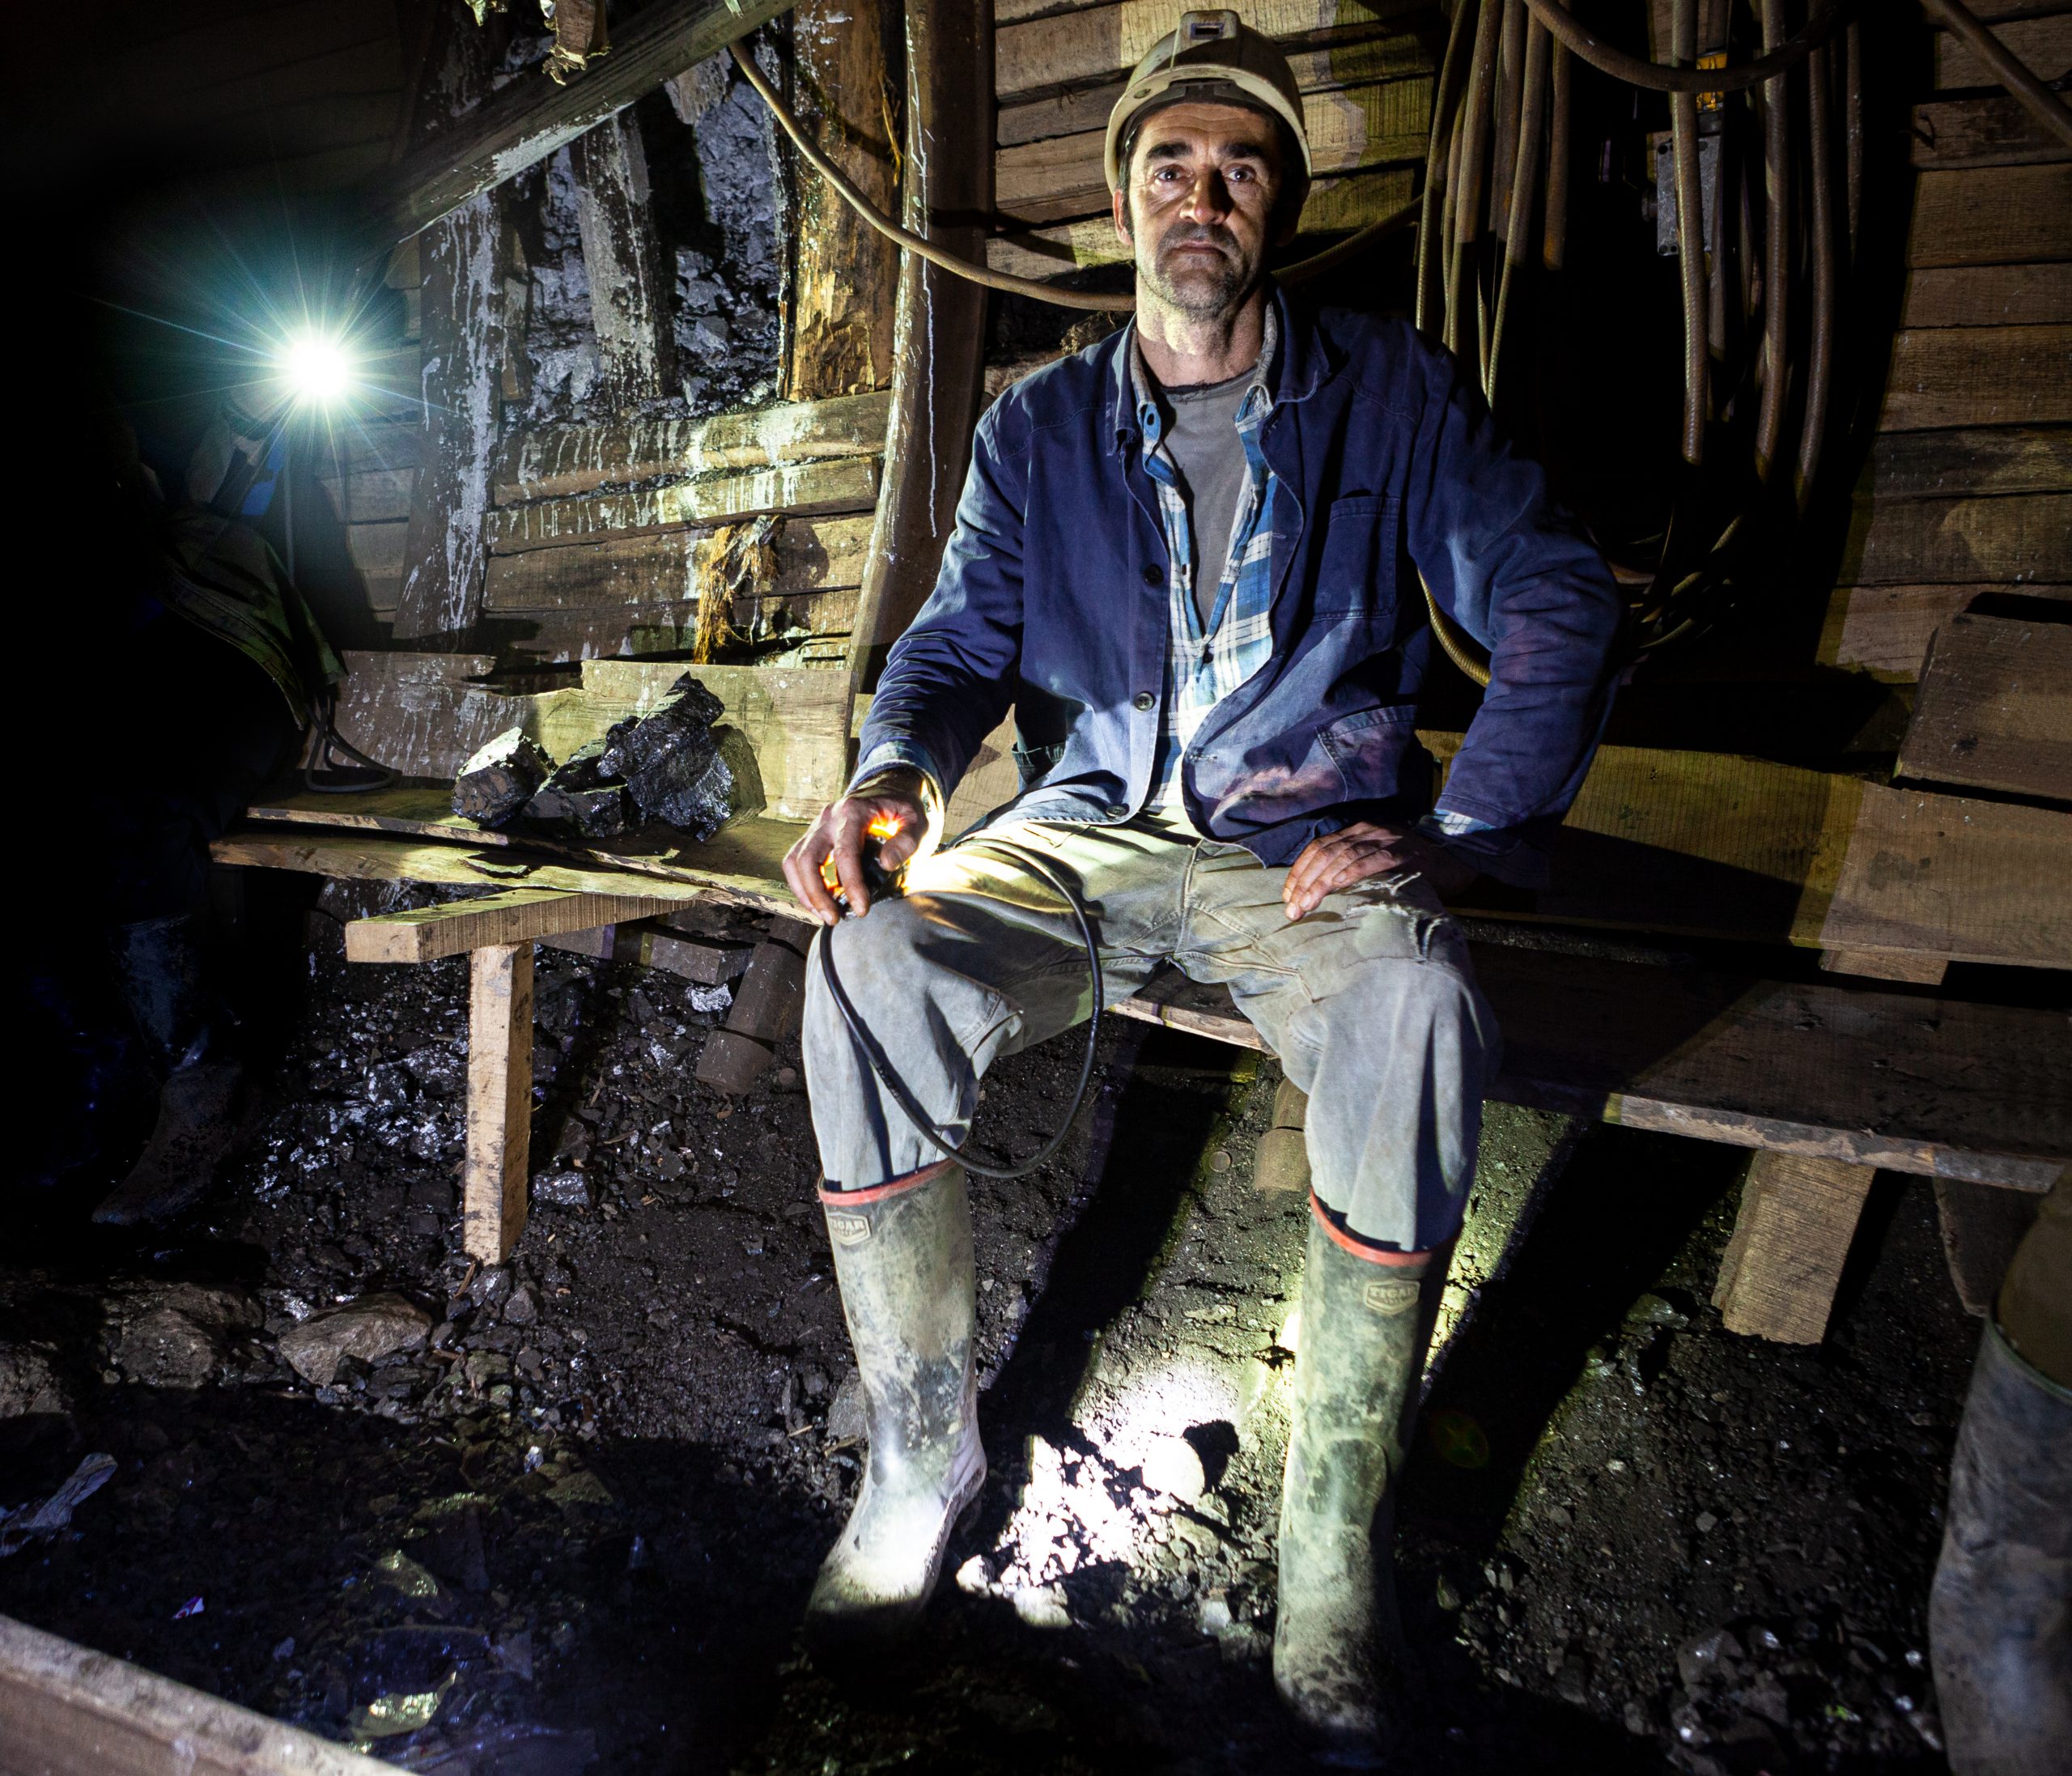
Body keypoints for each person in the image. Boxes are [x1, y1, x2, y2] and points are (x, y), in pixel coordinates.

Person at [781, 10, 1624, 1757]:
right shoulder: (1036, 428)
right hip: (1081, 828)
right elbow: (951, 647)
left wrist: (1464, 832)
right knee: (863, 967)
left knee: (1415, 1002)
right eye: (1169, 163)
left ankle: (1326, 1543)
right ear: (1124, 199)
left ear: (1278, 207)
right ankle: (919, 1457)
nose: (1202, 194)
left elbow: (1556, 594)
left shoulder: (1392, 391)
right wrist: (890, 781)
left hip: (1291, 843)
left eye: (1241, 167)